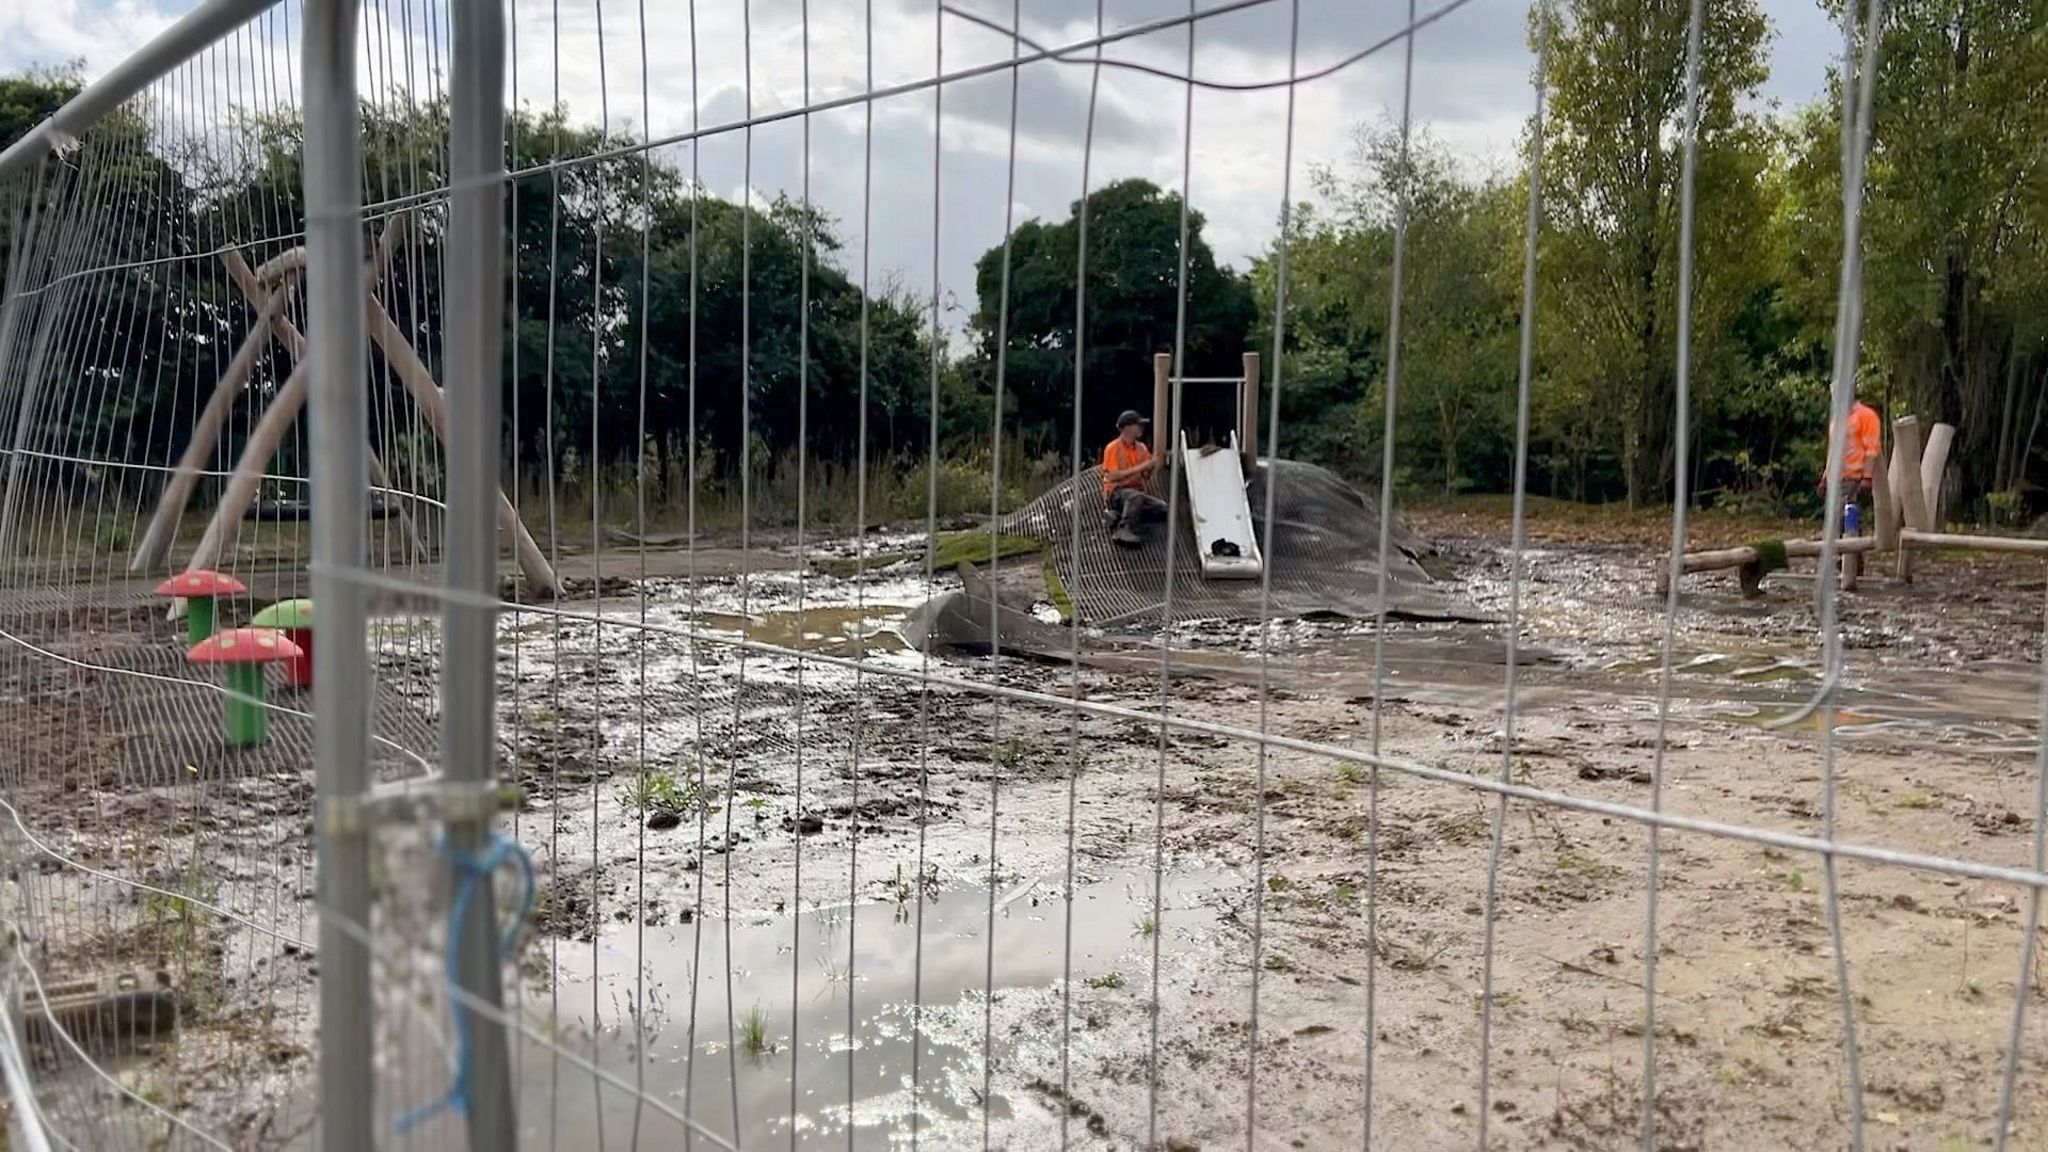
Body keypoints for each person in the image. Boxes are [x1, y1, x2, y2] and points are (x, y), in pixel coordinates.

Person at [1100, 410, 1166, 546]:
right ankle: (1124, 529)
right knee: (1135, 497)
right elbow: (1112, 476)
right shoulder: (1113, 448)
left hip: (1136, 494)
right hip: (1117, 493)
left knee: (1162, 508)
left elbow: (1146, 476)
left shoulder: (1141, 448)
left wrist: (1152, 465)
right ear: (1127, 428)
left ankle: (1117, 516)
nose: (1141, 428)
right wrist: (1142, 467)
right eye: (1138, 425)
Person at [1823, 384, 1883, 527]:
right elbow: (1833, 449)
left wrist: (1867, 478)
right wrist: (1826, 476)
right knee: (1834, 523)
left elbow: (1871, 449)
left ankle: (1852, 546)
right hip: (1837, 479)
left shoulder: (1866, 416)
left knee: (1850, 519)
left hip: (1855, 478)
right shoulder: (1837, 420)